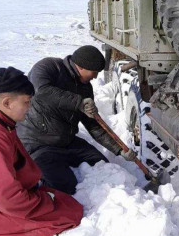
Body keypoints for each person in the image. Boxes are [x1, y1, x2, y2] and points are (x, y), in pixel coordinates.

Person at [0, 67, 83, 236]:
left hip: (0, 198)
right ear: (7, 102)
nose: (29, 108)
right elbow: (7, 199)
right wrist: (45, 201)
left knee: (66, 203)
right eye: (26, 102)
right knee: (68, 215)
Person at [17, 45, 136, 195]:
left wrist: (118, 149)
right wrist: (78, 103)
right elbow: (42, 92)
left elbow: (93, 125)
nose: (95, 77)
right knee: (64, 186)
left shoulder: (85, 88)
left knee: (102, 165)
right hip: (38, 143)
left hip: (67, 142)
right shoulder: (49, 67)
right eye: (93, 72)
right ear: (80, 66)